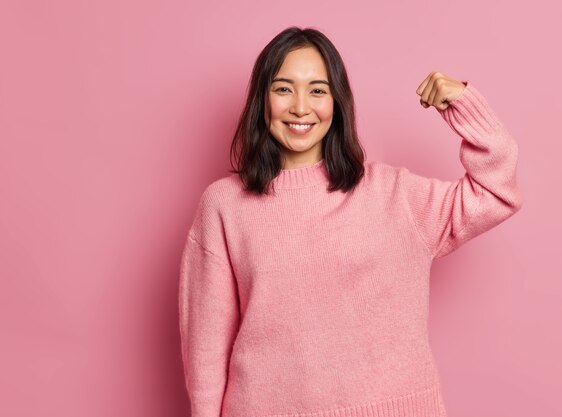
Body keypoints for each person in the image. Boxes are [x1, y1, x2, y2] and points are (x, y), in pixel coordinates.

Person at [178, 26, 522, 417]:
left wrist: (463, 104)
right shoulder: (224, 206)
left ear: (337, 103)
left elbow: (496, 191)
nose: (301, 107)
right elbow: (205, 350)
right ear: (262, 100)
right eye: (283, 88)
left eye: (318, 90)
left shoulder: (395, 195)